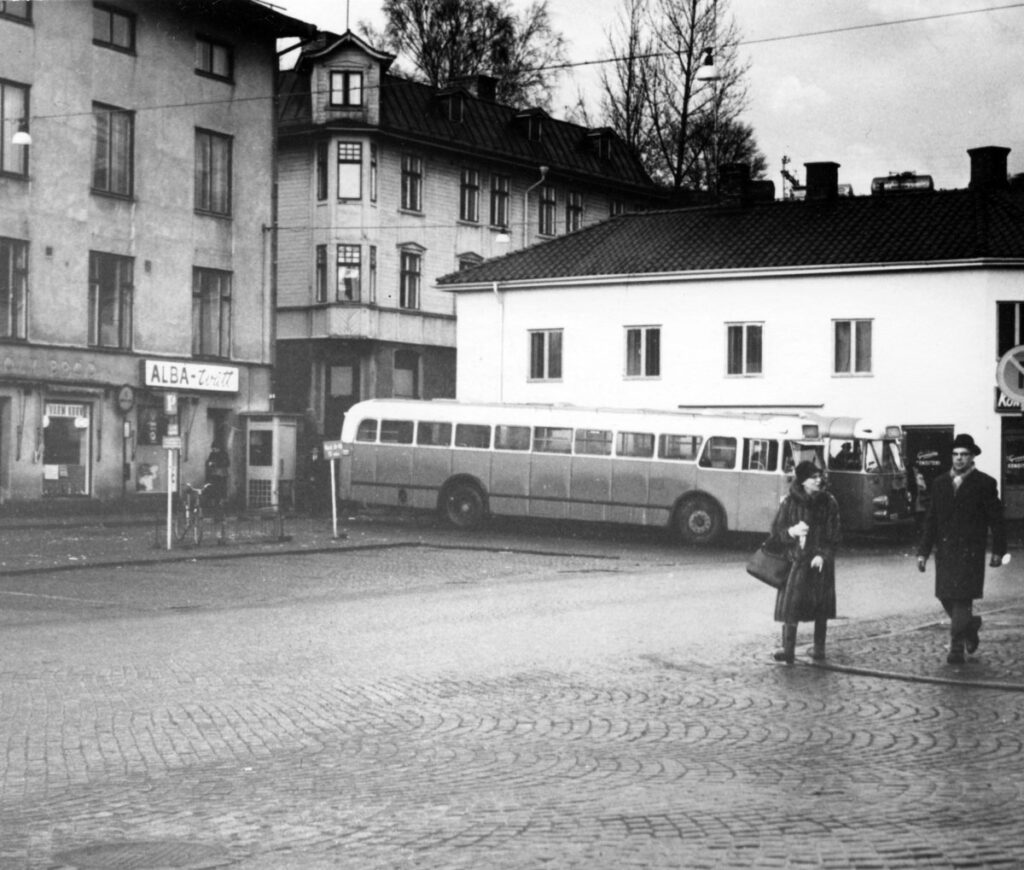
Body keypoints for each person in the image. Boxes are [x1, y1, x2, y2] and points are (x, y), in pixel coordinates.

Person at [916, 433, 1007, 664]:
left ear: (972, 457)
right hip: (945, 552)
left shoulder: (985, 483)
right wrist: (922, 552)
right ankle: (970, 626)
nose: (959, 459)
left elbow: (996, 519)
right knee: (946, 597)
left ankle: (956, 647)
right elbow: (931, 520)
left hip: (971, 552)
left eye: (964, 454)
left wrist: (998, 550)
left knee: (962, 600)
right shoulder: (939, 483)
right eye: (955, 454)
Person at [767, 460, 842, 663]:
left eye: (820, 476)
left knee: (820, 607)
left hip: (818, 563)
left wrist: (822, 555)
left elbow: (833, 535)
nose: (819, 480)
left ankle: (819, 648)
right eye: (813, 477)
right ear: (803, 482)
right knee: (791, 607)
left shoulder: (828, 502)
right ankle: (788, 650)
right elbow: (776, 532)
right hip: (796, 562)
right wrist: (791, 532)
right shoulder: (790, 502)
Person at [204, 442, 230, 515]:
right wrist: (210, 464)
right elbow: (209, 461)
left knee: (222, 488)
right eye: (213, 449)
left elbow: (227, 463)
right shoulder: (212, 454)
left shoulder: (224, 454)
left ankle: (221, 503)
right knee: (214, 488)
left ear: (218, 448)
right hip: (214, 473)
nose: (213, 450)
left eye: (215, 448)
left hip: (222, 474)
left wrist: (217, 464)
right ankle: (215, 503)